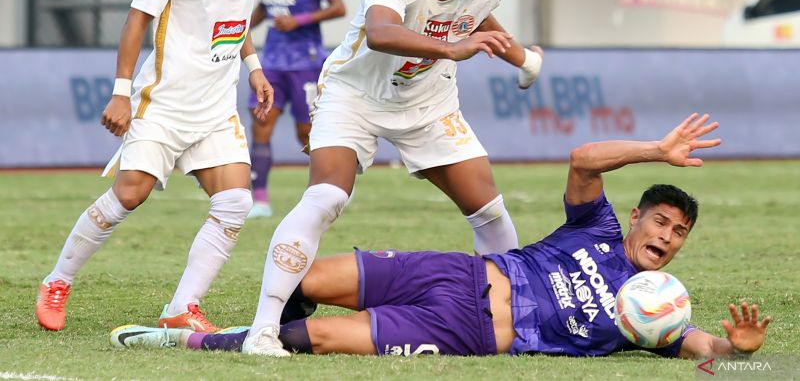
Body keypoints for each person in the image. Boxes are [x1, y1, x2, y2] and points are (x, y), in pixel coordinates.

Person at [110, 113, 772, 359]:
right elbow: (583, 159)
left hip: (471, 333)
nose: (667, 236)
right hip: (456, 274)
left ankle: (195, 338)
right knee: (308, 279)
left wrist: (735, 350)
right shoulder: (596, 224)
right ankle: (253, 325)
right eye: (660, 220)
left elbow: (698, 344)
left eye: (680, 232)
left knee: (313, 337)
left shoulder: (651, 309)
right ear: (637, 219)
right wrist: (656, 148)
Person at [237, 0, 546, 355]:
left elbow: (480, 17)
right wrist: (450, 48)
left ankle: (508, 320)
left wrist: (524, 59)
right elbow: (381, 33)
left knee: (490, 213)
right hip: (353, 95)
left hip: (429, 103)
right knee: (325, 198)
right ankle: (263, 329)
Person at [35, 0, 272, 333]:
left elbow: (238, 16)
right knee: (129, 194)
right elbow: (137, 18)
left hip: (216, 109)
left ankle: (181, 307)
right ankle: (57, 280)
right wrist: (121, 92)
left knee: (236, 202)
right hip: (162, 105)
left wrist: (254, 67)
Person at [247, 0, 346, 219]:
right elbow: (264, 8)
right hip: (272, 62)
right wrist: (241, 27)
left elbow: (338, 7)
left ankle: (330, 190)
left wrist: (300, 20)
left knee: (307, 133)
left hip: (306, 62)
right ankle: (259, 199)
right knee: (261, 125)